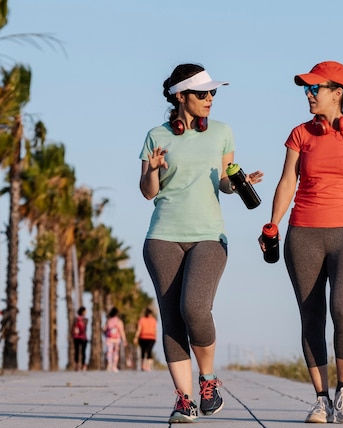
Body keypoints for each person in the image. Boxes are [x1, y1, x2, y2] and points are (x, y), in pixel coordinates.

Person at [260, 61, 343, 424]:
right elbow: (287, 182)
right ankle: (321, 399)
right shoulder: (300, 133)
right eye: (306, 89)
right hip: (303, 234)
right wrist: (273, 223)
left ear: (338, 93)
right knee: (311, 316)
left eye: (315, 89)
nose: (309, 95)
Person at [139, 63, 263, 423]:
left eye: (213, 93)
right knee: (172, 319)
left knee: (194, 307)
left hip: (209, 235)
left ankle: (208, 380)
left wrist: (239, 182)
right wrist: (150, 170)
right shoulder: (155, 136)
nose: (210, 99)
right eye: (202, 93)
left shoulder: (222, 132)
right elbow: (149, 193)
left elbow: (224, 181)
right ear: (181, 97)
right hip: (162, 236)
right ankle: (184, 400)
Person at [104, 307, 127, 373]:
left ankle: (109, 365)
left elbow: (104, 329)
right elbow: (122, 331)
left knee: (109, 352)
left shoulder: (109, 321)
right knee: (115, 352)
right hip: (117, 339)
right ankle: (114, 366)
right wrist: (124, 340)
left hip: (109, 339)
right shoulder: (119, 321)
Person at [71, 306, 88, 371]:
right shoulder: (85, 320)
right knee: (83, 352)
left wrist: (72, 335)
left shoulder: (76, 319)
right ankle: (83, 365)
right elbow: (85, 328)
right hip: (83, 337)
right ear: (83, 312)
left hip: (76, 337)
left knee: (77, 351)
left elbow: (73, 328)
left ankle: (76, 365)